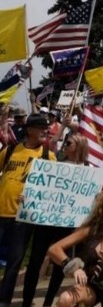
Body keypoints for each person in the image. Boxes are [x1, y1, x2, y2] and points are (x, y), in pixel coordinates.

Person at [22, 133, 90, 307]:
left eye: (69, 143)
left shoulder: (89, 170)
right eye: (65, 143)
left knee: (61, 264)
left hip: (68, 226)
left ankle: (48, 302)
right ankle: (27, 302)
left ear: (80, 146)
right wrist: (28, 196)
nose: (64, 146)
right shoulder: (54, 166)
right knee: (34, 262)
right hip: (46, 221)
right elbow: (40, 188)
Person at [0, 114, 56, 307]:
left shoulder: (49, 156)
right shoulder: (10, 151)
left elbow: (51, 189)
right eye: (41, 127)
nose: (46, 131)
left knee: (13, 264)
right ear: (30, 130)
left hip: (22, 219)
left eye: (46, 127)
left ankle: (4, 300)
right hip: (0, 213)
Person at [47, 190, 103, 307]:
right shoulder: (91, 229)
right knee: (65, 299)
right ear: (101, 206)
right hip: (90, 286)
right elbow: (53, 249)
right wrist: (74, 268)